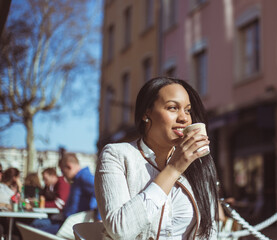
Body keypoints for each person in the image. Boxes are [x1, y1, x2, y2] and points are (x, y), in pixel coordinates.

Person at [95, 77, 219, 239]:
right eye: (173, 108)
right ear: (146, 114)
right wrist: (174, 169)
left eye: (187, 110)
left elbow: (210, 232)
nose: (184, 118)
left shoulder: (197, 164)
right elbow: (120, 230)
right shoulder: (116, 155)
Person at [31, 153, 99, 234]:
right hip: (66, 220)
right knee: (35, 224)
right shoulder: (76, 180)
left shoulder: (84, 177)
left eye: (63, 171)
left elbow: (101, 192)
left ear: (69, 166)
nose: (63, 175)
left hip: (71, 225)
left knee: (34, 231)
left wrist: (99, 218)